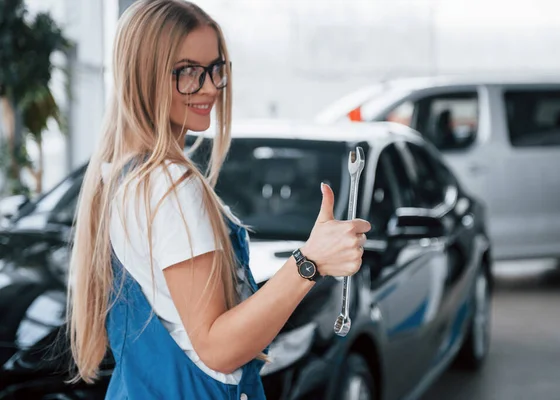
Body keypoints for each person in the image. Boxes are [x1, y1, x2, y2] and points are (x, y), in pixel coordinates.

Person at [66, 1, 371, 399]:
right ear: (145, 77)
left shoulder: (124, 176)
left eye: (215, 69)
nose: (209, 87)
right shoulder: (169, 186)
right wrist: (309, 263)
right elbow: (218, 348)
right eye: (188, 72)